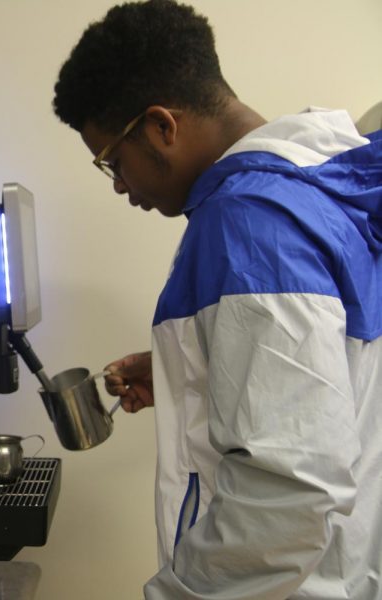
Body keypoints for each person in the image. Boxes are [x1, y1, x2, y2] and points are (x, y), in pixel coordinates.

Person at [52, 1, 382, 598]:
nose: (122, 187)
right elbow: (333, 380)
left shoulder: (249, 223)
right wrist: (195, 369)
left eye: (113, 162)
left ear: (161, 126)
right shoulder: (317, 185)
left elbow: (291, 492)